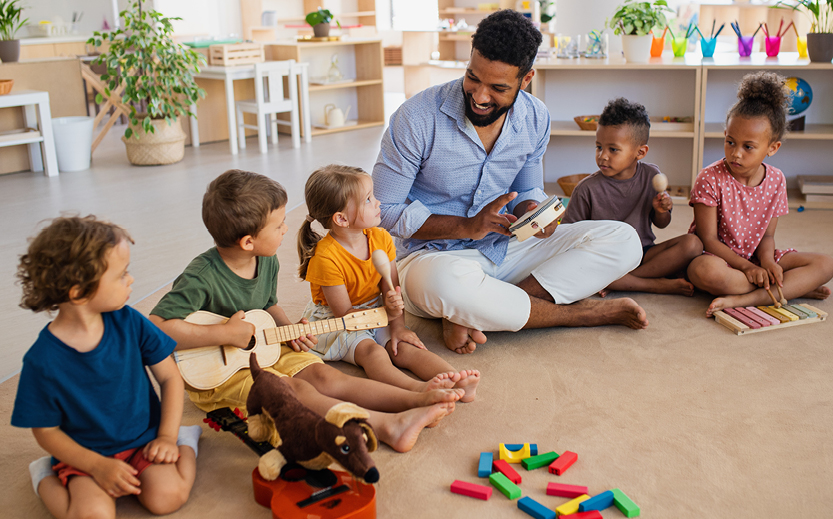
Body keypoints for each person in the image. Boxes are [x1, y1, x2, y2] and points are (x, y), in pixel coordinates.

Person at [373, 9, 648, 355]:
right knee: (446, 285)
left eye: (498, 87)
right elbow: (383, 211)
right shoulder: (416, 118)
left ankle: (479, 310)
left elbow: (529, 188)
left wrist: (534, 212)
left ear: (526, 78)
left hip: (504, 248)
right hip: (432, 259)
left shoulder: (536, 117)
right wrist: (466, 226)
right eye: (473, 77)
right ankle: (579, 314)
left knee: (624, 241)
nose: (480, 96)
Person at [149, 169, 461, 453]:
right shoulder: (201, 275)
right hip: (218, 374)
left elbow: (267, 304)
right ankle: (386, 426)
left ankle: (415, 398)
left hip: (267, 346)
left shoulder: (266, 258)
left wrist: (288, 328)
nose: (286, 229)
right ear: (248, 242)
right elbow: (156, 327)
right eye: (278, 225)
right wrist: (225, 333)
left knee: (325, 375)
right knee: (293, 390)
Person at [11, 216, 199, 519]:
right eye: (122, 274)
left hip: (146, 439)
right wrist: (96, 465)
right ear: (78, 291)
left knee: (167, 498)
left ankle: (186, 441)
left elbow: (170, 378)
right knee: (92, 515)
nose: (131, 280)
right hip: (86, 455)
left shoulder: (131, 321)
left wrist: (167, 436)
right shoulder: (41, 360)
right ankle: (43, 476)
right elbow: (45, 431)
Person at [297, 165, 480, 402]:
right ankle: (417, 390)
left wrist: (397, 325)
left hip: (374, 307)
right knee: (373, 353)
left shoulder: (380, 237)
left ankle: (457, 380)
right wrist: (387, 311)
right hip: (341, 319)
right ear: (341, 219)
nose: (378, 202)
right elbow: (344, 313)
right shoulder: (326, 258)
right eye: (368, 199)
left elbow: (390, 286)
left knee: (404, 346)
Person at [686, 71, 833, 316]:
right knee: (705, 272)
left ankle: (752, 297)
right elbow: (708, 240)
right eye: (730, 142)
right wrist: (746, 267)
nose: (736, 153)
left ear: (772, 148)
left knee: (826, 264)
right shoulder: (709, 178)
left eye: (748, 147)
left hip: (756, 256)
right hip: (718, 258)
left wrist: (766, 263)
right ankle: (787, 289)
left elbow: (766, 238)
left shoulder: (776, 180)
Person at [562, 97, 702, 296]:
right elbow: (567, 237)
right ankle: (650, 284)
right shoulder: (586, 189)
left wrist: (661, 210)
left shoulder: (652, 176)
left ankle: (620, 281)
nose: (603, 155)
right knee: (570, 266)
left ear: (640, 152)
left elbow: (662, 224)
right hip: (603, 258)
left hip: (642, 252)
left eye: (613, 149)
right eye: (598, 146)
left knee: (693, 244)